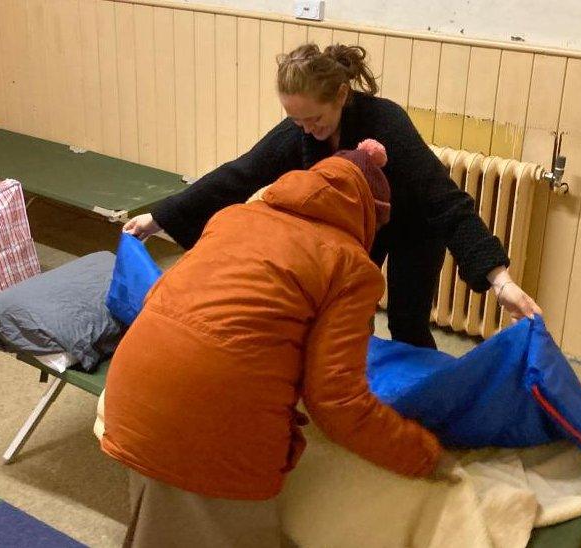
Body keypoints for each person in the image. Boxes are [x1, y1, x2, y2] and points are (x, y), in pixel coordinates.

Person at [102, 141, 457, 548]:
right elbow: (338, 400)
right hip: (202, 416)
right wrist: (424, 455)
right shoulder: (349, 265)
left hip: (131, 392)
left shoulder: (234, 217)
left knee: (161, 525)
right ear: (368, 214)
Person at [124, 43, 541, 349]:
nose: (306, 128)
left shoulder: (387, 122)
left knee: (408, 324)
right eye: (295, 118)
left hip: (414, 224)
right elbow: (239, 175)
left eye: (315, 118)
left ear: (341, 95)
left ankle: (421, 408)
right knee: (345, 319)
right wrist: (158, 218)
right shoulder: (301, 129)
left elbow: (445, 201)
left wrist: (499, 280)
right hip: (361, 230)